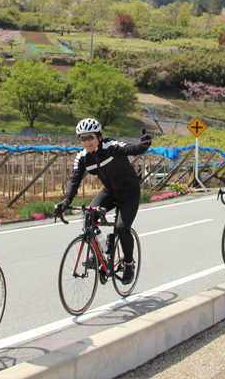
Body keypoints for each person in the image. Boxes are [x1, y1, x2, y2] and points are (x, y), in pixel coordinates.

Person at [54, 118, 152, 284]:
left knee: (122, 228)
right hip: (109, 192)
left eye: (90, 137)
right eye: (83, 138)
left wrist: (142, 146)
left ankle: (129, 263)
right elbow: (74, 180)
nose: (87, 141)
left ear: (99, 137)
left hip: (129, 193)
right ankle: (99, 251)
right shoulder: (82, 158)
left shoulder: (111, 147)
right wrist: (65, 201)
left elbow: (129, 149)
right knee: (89, 217)